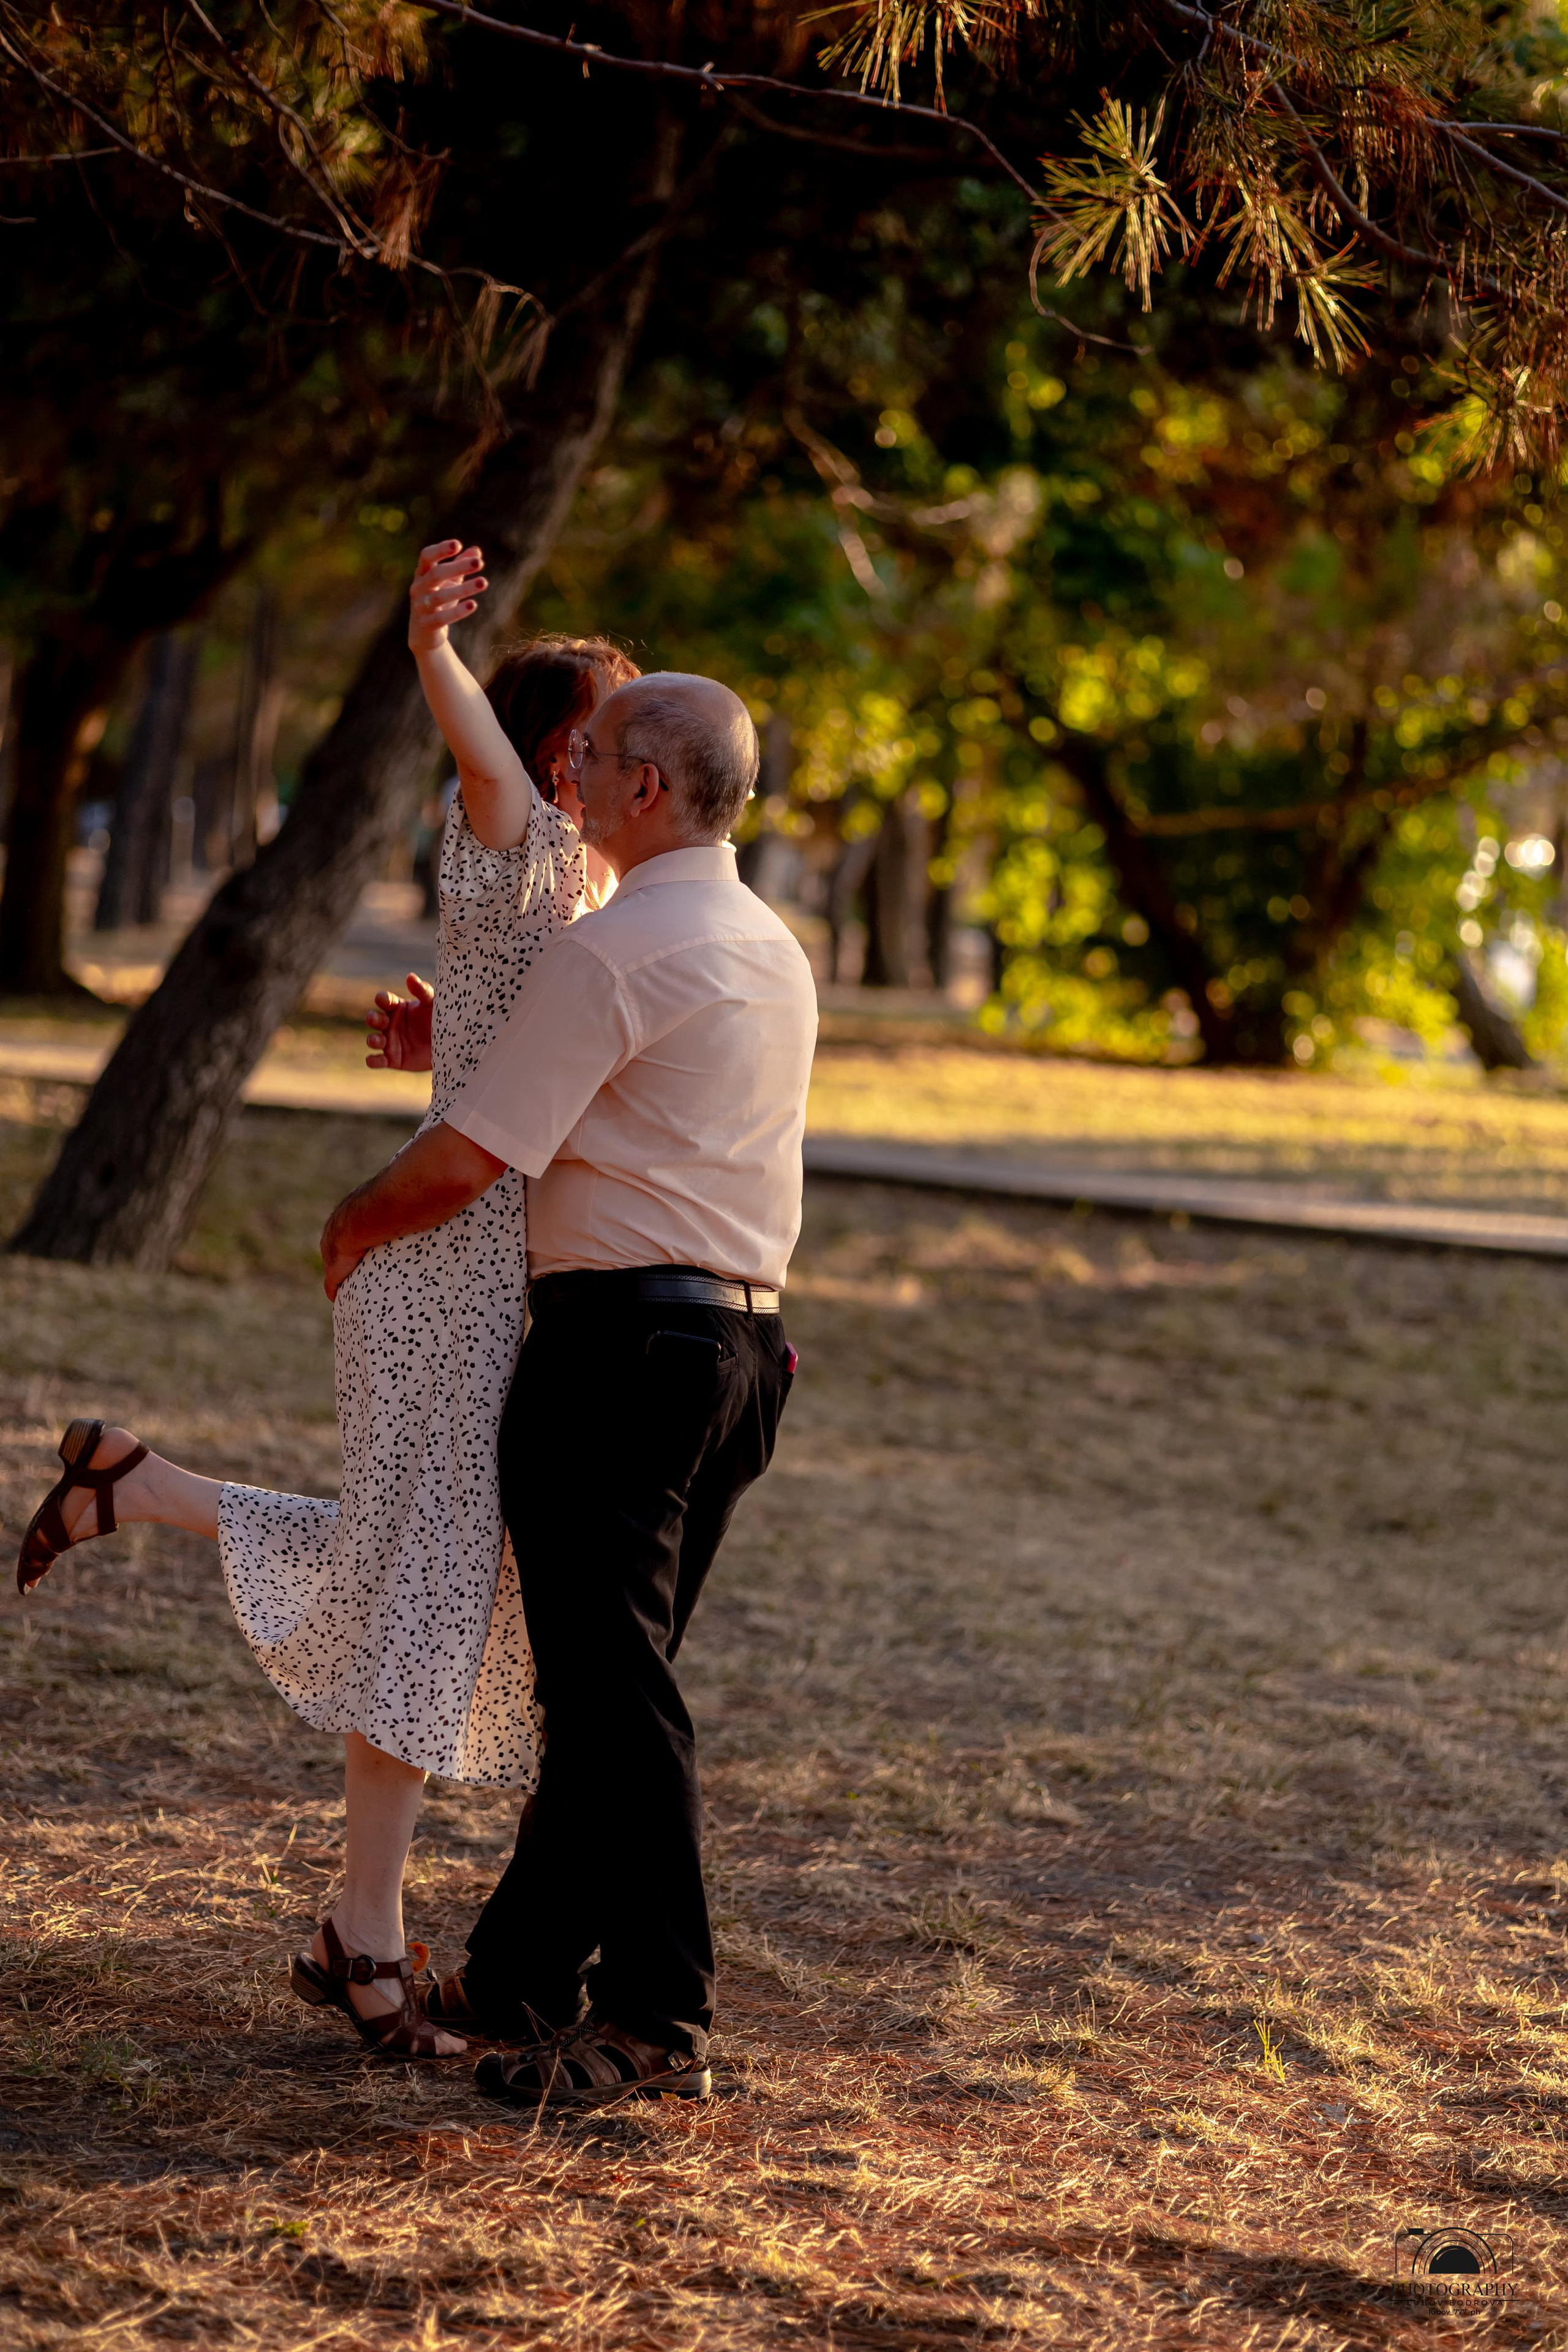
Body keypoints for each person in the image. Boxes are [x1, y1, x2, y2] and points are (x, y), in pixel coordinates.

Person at [15, 541, 637, 2062]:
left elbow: (522, 1049)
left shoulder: (587, 886)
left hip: (486, 1262)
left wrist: (443, 1044)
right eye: (610, 732)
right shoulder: (529, 837)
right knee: (429, 1586)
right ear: (565, 750)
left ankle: (134, 1488)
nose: (628, 756)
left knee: (422, 1573)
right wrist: (432, 648)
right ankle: (359, 1942)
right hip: (442, 1260)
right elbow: (486, 758)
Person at [312, 667, 818, 2105]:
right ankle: (527, 1972)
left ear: (645, 790)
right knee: (612, 1687)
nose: (568, 778)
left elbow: (466, 1163)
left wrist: (346, 1225)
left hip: (616, 1356)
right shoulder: (761, 941)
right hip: (740, 1355)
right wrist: (458, 1043)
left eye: (589, 760)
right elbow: (633, 1098)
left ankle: (659, 2015)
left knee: (613, 1701)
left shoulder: (609, 953)